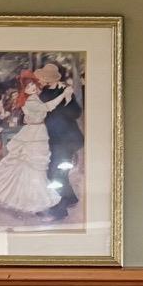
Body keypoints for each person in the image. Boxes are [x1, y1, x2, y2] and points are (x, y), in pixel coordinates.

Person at [0, 70, 73, 215]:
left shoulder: (33, 97)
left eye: (33, 84)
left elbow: (36, 113)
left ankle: (33, 196)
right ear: (24, 90)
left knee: (35, 166)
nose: (32, 87)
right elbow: (47, 107)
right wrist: (63, 95)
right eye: (28, 86)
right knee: (32, 164)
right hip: (34, 133)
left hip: (37, 131)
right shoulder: (30, 100)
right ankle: (32, 198)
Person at [34, 61, 84, 217]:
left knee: (56, 173)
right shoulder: (43, 94)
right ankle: (69, 198)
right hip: (53, 139)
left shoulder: (67, 92)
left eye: (46, 77)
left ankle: (59, 210)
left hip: (68, 139)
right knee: (55, 171)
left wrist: (68, 99)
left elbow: (76, 113)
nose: (44, 80)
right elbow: (42, 113)